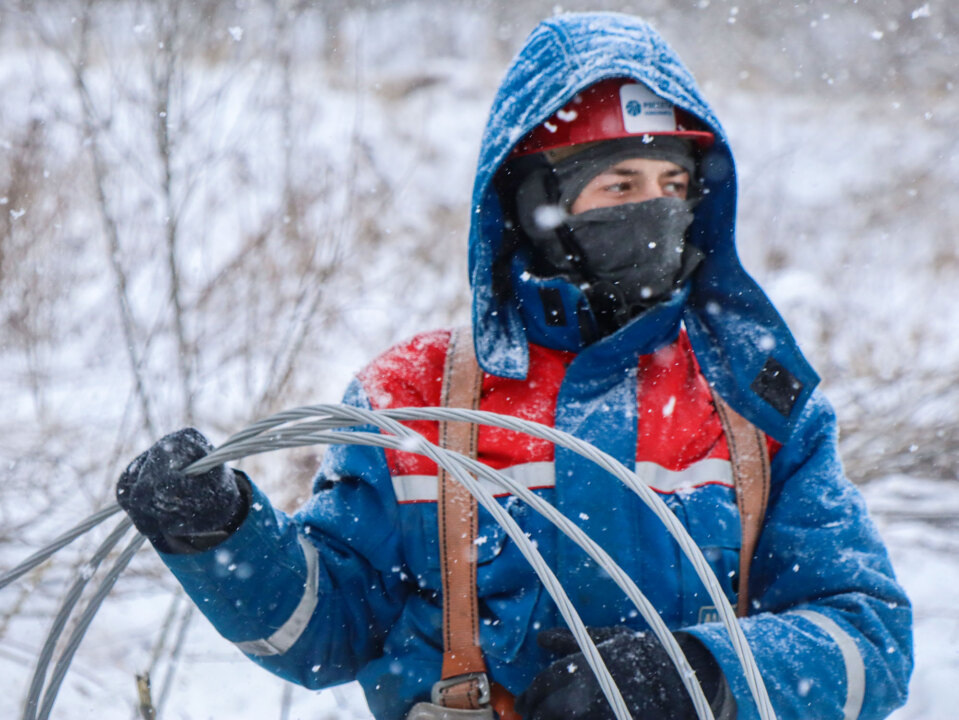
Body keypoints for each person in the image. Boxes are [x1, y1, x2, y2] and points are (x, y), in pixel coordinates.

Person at [115, 12, 913, 720]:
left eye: (674, 183)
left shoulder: (754, 399)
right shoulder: (410, 399)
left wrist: (701, 674)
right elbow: (322, 634)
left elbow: (869, 640)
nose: (658, 210)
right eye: (621, 184)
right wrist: (223, 536)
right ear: (537, 202)